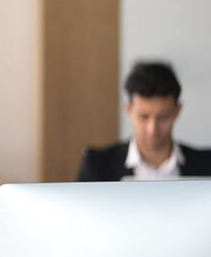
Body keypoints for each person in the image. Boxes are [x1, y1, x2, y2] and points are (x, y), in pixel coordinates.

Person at [77, 61, 211, 181]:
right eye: (144, 117)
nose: (152, 128)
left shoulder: (206, 164)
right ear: (128, 110)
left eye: (162, 117)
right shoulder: (97, 165)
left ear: (177, 111)